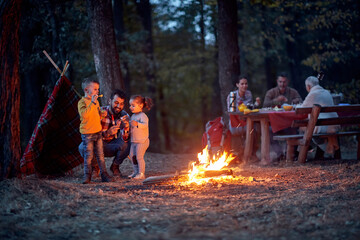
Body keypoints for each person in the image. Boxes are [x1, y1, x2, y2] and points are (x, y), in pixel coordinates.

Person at [78, 89, 131, 177]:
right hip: (97, 143)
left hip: (111, 145)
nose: (118, 106)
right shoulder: (100, 111)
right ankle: (95, 167)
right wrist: (107, 133)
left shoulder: (124, 115)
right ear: (109, 101)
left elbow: (125, 139)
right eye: (116, 102)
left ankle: (115, 166)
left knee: (128, 144)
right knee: (82, 147)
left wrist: (126, 127)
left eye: (121, 104)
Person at [78, 77, 112, 184]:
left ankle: (104, 175)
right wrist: (92, 103)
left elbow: (97, 115)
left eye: (98, 89)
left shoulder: (96, 102)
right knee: (88, 156)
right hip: (87, 133)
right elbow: (85, 115)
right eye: (95, 89)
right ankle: (87, 176)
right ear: (86, 90)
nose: (98, 91)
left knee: (100, 155)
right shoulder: (82, 102)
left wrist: (102, 114)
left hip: (97, 132)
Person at [300, 76, 340, 156]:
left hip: (322, 127)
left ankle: (301, 153)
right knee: (312, 123)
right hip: (333, 124)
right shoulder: (326, 92)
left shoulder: (312, 94)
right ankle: (320, 154)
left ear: (308, 86)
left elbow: (301, 109)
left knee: (301, 127)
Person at [226, 76, 260, 159]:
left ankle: (252, 153)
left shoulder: (248, 94)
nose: (244, 86)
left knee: (257, 127)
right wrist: (244, 109)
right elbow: (231, 111)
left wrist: (256, 104)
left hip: (247, 121)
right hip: (236, 123)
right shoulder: (232, 96)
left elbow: (250, 108)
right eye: (242, 84)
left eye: (246, 84)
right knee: (253, 129)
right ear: (237, 85)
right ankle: (245, 155)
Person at [128, 95, 153, 180]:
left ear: (140, 106)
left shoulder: (143, 116)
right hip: (134, 141)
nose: (130, 107)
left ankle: (141, 173)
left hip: (142, 141)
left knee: (139, 156)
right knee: (132, 156)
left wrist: (137, 124)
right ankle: (135, 172)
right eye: (130, 105)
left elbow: (145, 125)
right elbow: (132, 127)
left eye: (133, 105)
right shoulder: (133, 116)